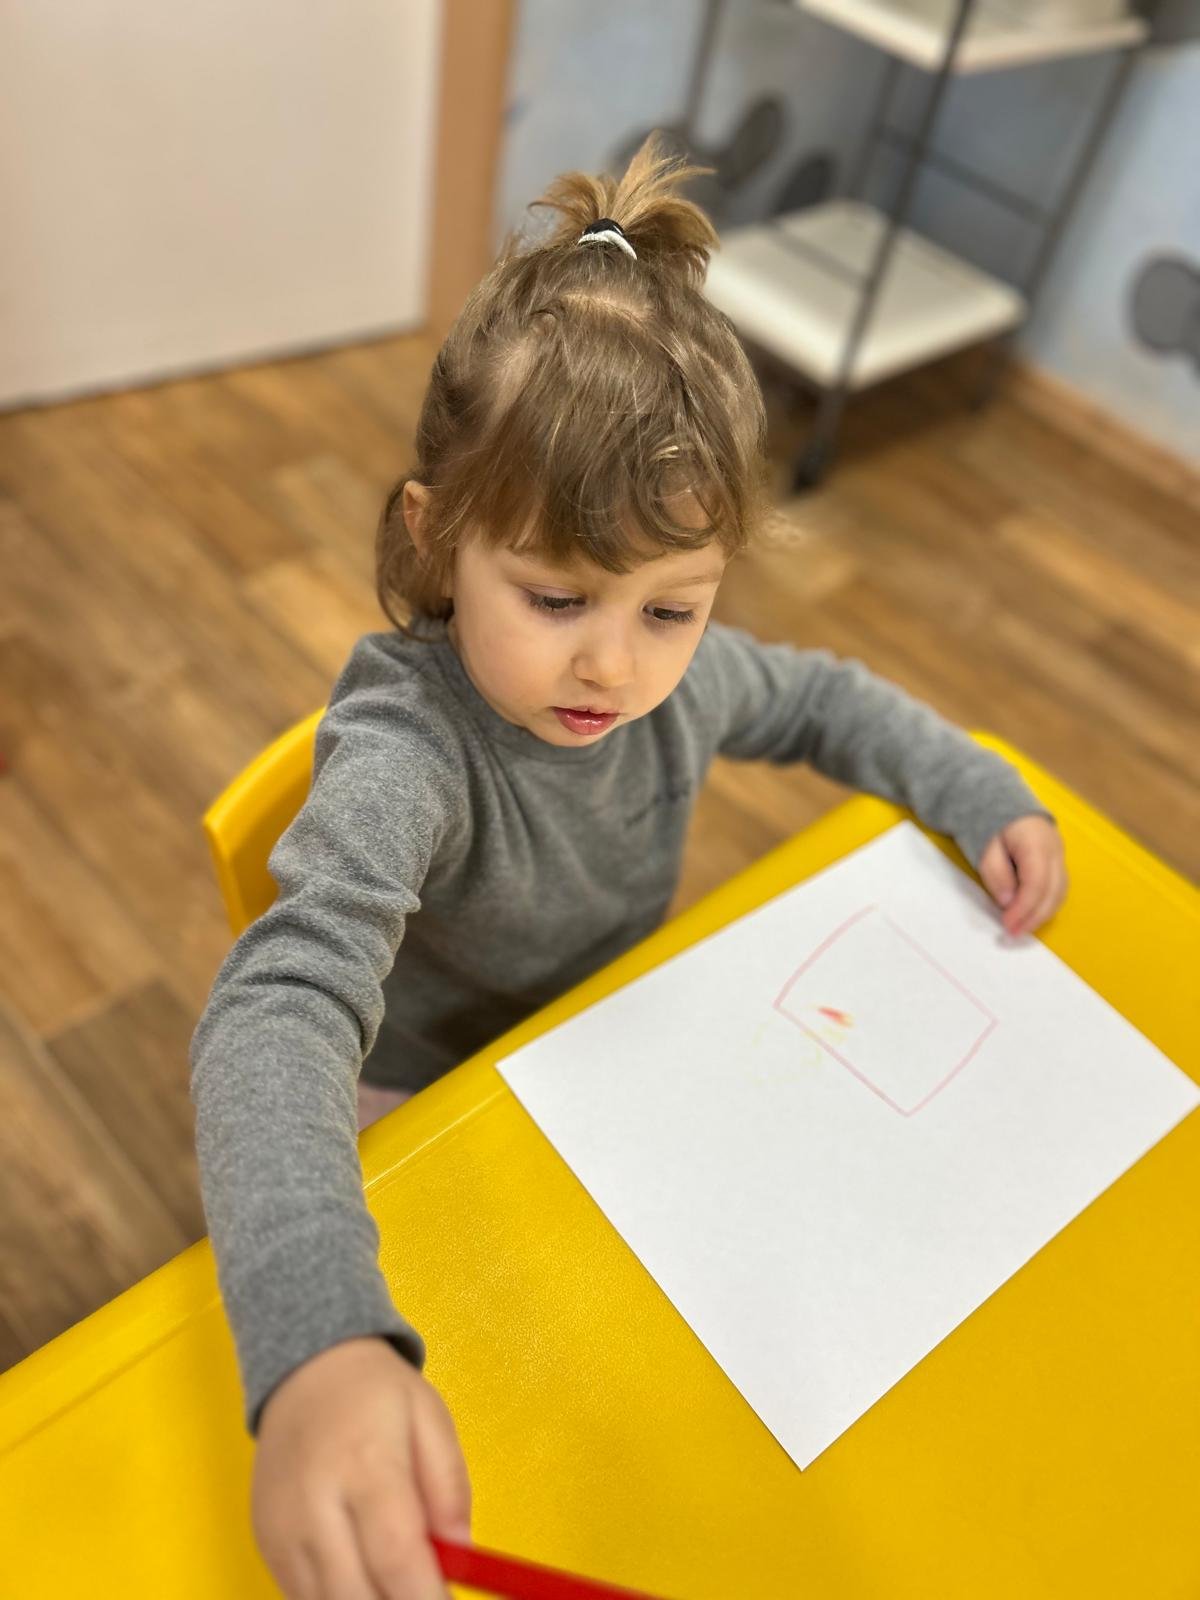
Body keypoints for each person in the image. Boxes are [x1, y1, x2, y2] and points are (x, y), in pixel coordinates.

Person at [189, 131, 1066, 1600]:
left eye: (671, 608)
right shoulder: (409, 754)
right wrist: (319, 1342)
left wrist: (969, 784)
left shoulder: (681, 682)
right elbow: (273, 1016)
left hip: (610, 1065)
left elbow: (826, 698)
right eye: (556, 598)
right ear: (436, 538)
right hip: (428, 1097)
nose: (614, 664)